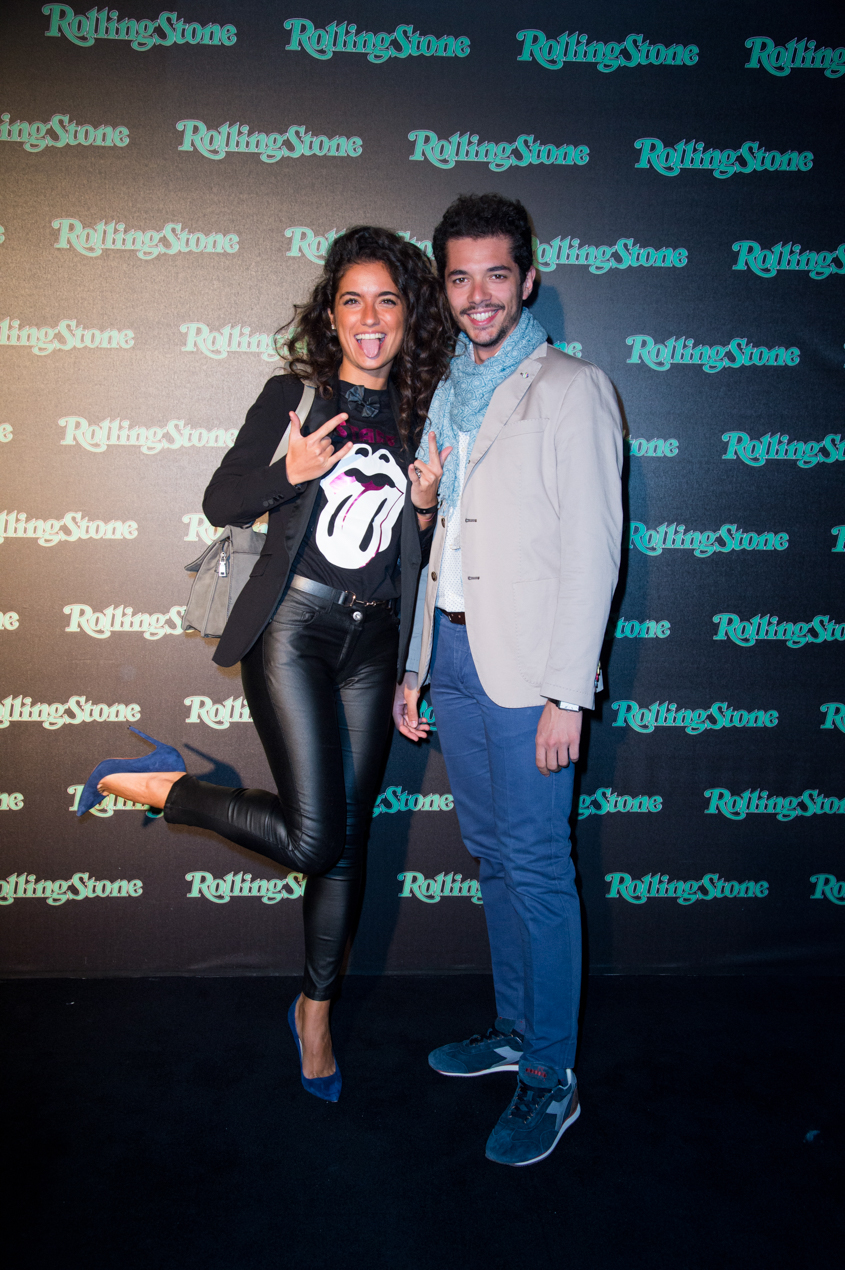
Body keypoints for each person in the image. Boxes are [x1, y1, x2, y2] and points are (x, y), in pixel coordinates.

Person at [80, 226, 454, 1102]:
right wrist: (290, 467)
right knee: (317, 837)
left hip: (375, 642)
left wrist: (425, 506)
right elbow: (221, 498)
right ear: (332, 314)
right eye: (352, 299)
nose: (370, 317)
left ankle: (314, 1015)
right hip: (293, 630)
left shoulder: (423, 410)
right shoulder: (295, 394)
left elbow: (413, 550)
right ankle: (170, 787)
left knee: (346, 844)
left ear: (408, 317)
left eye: (387, 300)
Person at [397, 194, 623, 1165]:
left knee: (535, 867)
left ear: (527, 279)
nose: (477, 294)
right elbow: (439, 537)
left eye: (496, 274)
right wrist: (415, 664)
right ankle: (515, 1029)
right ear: (444, 288)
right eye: (459, 277)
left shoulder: (573, 388)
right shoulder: (448, 390)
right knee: (491, 855)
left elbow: (593, 553)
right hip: (452, 654)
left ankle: (550, 1075)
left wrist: (567, 692)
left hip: (530, 671)